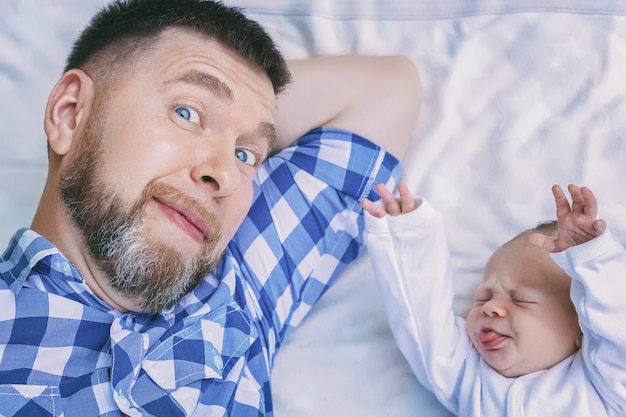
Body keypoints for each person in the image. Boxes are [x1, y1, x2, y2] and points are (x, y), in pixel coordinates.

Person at [0, 0, 421, 415]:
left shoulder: (236, 295)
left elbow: (388, 90)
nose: (224, 174)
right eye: (185, 112)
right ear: (70, 115)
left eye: (246, 156)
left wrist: (249, 111)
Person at [362, 183, 626, 416]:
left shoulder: (605, 385)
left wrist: (592, 260)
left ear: (582, 326)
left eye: (521, 299)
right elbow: (422, 322)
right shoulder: (469, 379)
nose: (490, 307)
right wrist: (407, 237)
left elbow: (617, 327)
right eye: (482, 297)